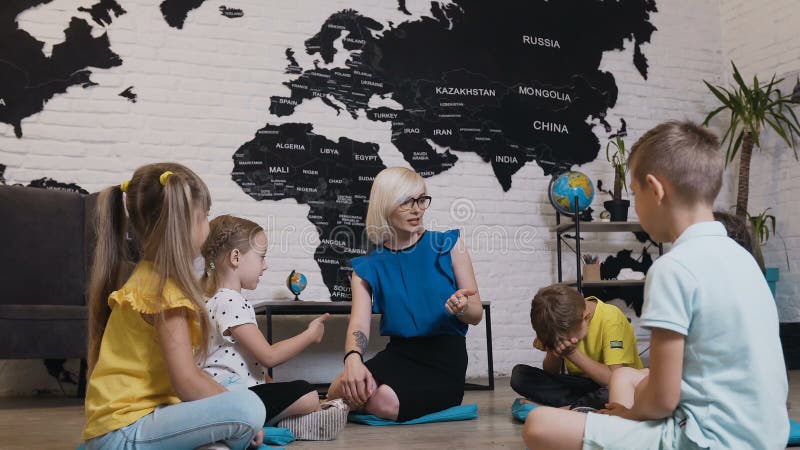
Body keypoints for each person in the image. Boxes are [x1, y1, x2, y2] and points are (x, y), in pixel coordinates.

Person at [523, 121, 789, 449]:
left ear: (656, 189)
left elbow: (663, 399)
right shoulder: (744, 259)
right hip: (765, 435)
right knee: (623, 375)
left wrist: (626, 416)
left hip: (708, 439)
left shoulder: (673, 268)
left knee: (538, 424)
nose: (635, 204)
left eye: (634, 194)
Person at [83, 163, 266, 450]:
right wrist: (243, 415)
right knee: (250, 408)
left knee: (233, 386)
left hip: (129, 424)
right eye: (204, 216)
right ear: (183, 226)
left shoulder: (149, 278)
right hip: (125, 434)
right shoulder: (165, 294)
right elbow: (186, 382)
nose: (208, 223)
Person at [326, 166, 483, 421]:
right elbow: (359, 324)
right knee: (340, 387)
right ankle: (352, 401)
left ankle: (357, 404)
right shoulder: (367, 267)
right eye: (407, 202)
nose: (417, 209)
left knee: (383, 400)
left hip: (444, 358)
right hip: (399, 353)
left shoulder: (450, 245)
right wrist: (353, 359)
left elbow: (476, 315)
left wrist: (463, 307)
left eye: (422, 200)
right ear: (385, 205)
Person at [200, 214, 346, 440]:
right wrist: (309, 335)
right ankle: (274, 425)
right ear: (236, 257)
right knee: (308, 393)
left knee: (299, 394)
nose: (265, 266)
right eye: (261, 257)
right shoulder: (230, 301)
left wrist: (271, 384)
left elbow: (253, 361)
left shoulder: (215, 299)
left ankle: (290, 420)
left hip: (229, 395)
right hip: (234, 398)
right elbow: (268, 356)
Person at [511, 285, 643, 410]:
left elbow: (614, 380)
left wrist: (573, 353)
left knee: (608, 395)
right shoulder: (565, 317)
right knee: (519, 376)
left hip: (621, 387)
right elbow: (551, 372)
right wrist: (552, 348)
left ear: (585, 318)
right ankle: (581, 405)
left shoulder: (611, 319)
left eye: (566, 339)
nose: (563, 342)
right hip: (583, 386)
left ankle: (567, 408)